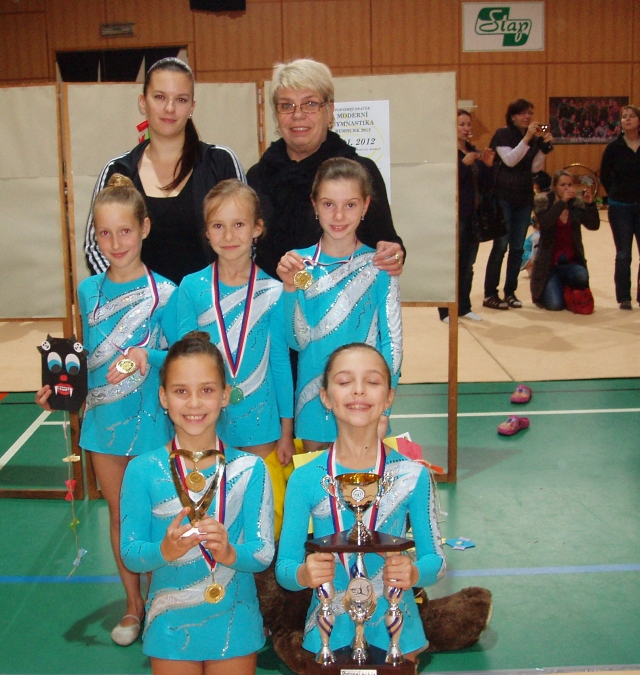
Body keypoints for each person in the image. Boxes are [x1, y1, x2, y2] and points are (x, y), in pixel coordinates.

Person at [37, 175, 177, 645]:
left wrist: (146, 355)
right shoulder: (87, 290)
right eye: (105, 233)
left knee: (159, 515)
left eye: (125, 231)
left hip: (152, 419)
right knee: (121, 517)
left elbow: (180, 356)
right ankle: (133, 605)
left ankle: (163, 598)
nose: (116, 243)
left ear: (145, 228)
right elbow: (86, 354)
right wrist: (60, 387)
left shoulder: (166, 292)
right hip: (103, 422)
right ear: (94, 237)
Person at [276, 343, 445, 664]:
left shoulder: (412, 475)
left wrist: (413, 572)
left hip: (397, 631)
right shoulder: (305, 478)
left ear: (389, 397)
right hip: (329, 631)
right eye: (344, 381)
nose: (358, 390)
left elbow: (436, 562)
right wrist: (304, 574)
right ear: (326, 397)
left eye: (372, 381)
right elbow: (285, 568)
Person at [119, 331, 274, 674]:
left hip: (235, 620)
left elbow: (262, 553)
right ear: (163, 397)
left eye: (206, 390)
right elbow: (131, 553)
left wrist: (230, 553)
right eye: (180, 391)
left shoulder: (251, 469)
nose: (193, 403)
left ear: (224, 395)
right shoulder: (142, 470)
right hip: (169, 623)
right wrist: (164, 551)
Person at [176, 180, 293, 536]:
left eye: (239, 224)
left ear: (257, 228)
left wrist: (286, 431)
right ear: (207, 232)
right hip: (206, 421)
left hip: (262, 424)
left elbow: (280, 365)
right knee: (213, 514)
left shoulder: (273, 292)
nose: (228, 235)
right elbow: (182, 364)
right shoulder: (192, 288)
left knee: (262, 517)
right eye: (218, 225)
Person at [276, 158, 402, 452]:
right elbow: (298, 341)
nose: (339, 215)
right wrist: (291, 289)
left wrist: (384, 409)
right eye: (329, 204)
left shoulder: (379, 267)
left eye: (350, 205)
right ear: (315, 205)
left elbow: (392, 343)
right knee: (318, 479)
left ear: (366, 206)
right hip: (313, 402)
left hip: (365, 402)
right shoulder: (301, 265)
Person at [83, 57, 245, 285]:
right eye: (159, 97)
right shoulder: (118, 170)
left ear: (192, 107)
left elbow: (246, 235)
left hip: (210, 302)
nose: (170, 108)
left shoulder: (220, 162)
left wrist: (221, 294)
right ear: (143, 102)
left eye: (181, 99)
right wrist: (130, 294)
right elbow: (94, 246)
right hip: (140, 303)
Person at [246, 58, 404, 281]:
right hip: (273, 298)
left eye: (310, 104)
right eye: (286, 105)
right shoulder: (257, 176)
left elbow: (387, 243)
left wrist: (393, 255)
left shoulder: (359, 172)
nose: (298, 114)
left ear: (330, 111)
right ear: (276, 115)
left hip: (342, 298)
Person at [483, 98, 554, 310]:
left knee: (516, 247)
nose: (527, 117)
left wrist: (542, 149)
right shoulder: (503, 134)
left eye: (530, 113)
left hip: (524, 197)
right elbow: (510, 160)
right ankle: (490, 293)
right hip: (503, 196)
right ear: (513, 116)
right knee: (500, 246)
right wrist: (528, 138)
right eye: (522, 113)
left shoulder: (532, 139)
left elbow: (534, 168)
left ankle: (510, 292)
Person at [600, 105, 640, 310]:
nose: (627, 119)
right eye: (624, 116)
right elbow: (605, 175)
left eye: (632, 116)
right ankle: (624, 297)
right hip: (620, 207)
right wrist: (617, 193)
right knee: (623, 254)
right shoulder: (613, 148)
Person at [439, 109, 494, 323]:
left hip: (473, 215)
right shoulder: (447, 152)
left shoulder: (473, 150)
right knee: (452, 264)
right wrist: (463, 166)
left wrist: (488, 166)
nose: (466, 128)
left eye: (468, 124)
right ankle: (446, 311)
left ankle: (464, 306)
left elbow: (486, 185)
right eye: (461, 124)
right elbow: (445, 183)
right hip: (455, 216)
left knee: (468, 264)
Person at [531, 170, 600, 311]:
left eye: (570, 185)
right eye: (562, 185)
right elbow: (545, 223)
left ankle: (564, 285)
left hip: (570, 262)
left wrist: (590, 205)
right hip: (549, 265)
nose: (567, 188)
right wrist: (562, 202)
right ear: (554, 187)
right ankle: (549, 286)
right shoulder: (543, 201)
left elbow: (593, 226)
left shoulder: (576, 203)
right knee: (555, 305)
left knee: (582, 275)